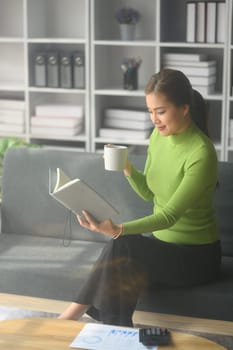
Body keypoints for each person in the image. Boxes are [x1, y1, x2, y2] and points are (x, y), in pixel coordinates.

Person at [58, 68, 221, 326]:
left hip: (195, 258)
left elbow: (169, 216)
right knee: (120, 252)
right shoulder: (158, 136)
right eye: (150, 111)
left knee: (123, 243)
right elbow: (149, 193)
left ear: (184, 108)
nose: (154, 120)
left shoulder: (201, 153)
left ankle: (74, 314)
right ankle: (116, 330)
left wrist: (119, 229)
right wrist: (127, 168)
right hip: (163, 249)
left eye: (161, 111)